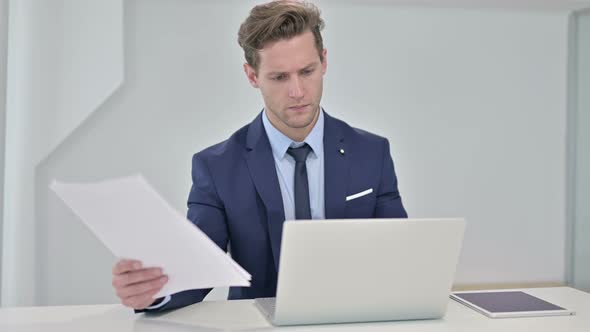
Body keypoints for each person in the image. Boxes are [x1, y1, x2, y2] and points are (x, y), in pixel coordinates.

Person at [111, 0, 407, 312]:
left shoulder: (373, 153)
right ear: (252, 76)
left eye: (307, 71)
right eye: (279, 77)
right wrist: (151, 291)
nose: (297, 91)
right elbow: (196, 271)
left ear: (323, 61)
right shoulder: (217, 167)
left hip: (354, 321)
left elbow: (399, 256)